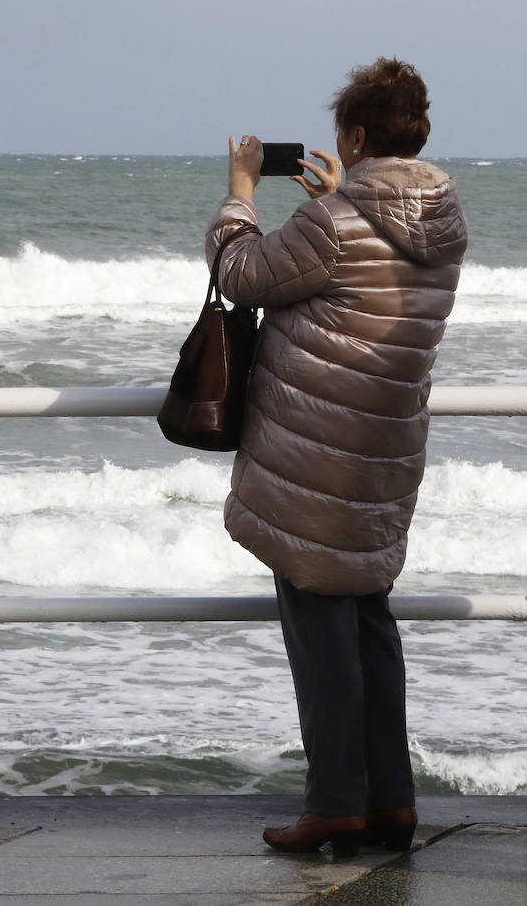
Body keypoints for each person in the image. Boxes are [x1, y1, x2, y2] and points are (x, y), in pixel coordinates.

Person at [206, 58, 468, 855]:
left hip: (317, 458)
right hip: (386, 450)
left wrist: (241, 192)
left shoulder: (332, 224)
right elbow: (369, 272)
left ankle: (333, 808)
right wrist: (332, 203)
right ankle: (390, 802)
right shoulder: (444, 223)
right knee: (369, 626)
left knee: (322, 633)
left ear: (354, 136)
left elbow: (242, 273)